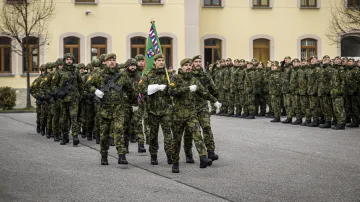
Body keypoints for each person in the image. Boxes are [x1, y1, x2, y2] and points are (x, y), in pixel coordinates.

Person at [170, 58, 220, 173]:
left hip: (191, 114)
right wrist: (187, 89)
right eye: (185, 65)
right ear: (181, 67)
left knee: (197, 135)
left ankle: (203, 158)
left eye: (189, 65)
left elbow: (204, 92)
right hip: (178, 114)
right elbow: (172, 92)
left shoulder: (193, 79)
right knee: (176, 140)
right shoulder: (175, 78)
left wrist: (214, 100)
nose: (188, 67)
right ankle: (175, 162)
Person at [86, 53, 134, 165]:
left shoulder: (122, 75)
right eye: (109, 60)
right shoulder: (99, 74)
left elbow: (130, 89)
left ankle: (121, 156)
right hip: (104, 109)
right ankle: (104, 155)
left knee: (119, 131)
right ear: (105, 62)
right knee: (104, 134)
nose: (112, 62)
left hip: (118, 109)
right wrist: (95, 91)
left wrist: (132, 102)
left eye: (114, 60)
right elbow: (87, 85)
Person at [138, 53, 173, 165]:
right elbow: (141, 88)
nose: (161, 62)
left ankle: (170, 155)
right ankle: (153, 155)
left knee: (168, 134)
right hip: (152, 109)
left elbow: (174, 88)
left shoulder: (168, 74)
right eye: (159, 60)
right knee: (153, 135)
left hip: (165, 109)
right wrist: (156, 87)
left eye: (163, 60)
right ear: (154, 62)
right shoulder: (148, 75)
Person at [53, 53, 83, 145]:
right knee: (64, 119)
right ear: (64, 61)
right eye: (67, 59)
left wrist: (81, 96)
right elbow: (54, 84)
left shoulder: (76, 71)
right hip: (63, 99)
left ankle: (75, 137)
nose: (69, 61)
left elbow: (81, 84)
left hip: (74, 99)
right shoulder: (60, 72)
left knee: (74, 118)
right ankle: (64, 137)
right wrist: (58, 93)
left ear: (73, 60)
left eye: (70, 59)